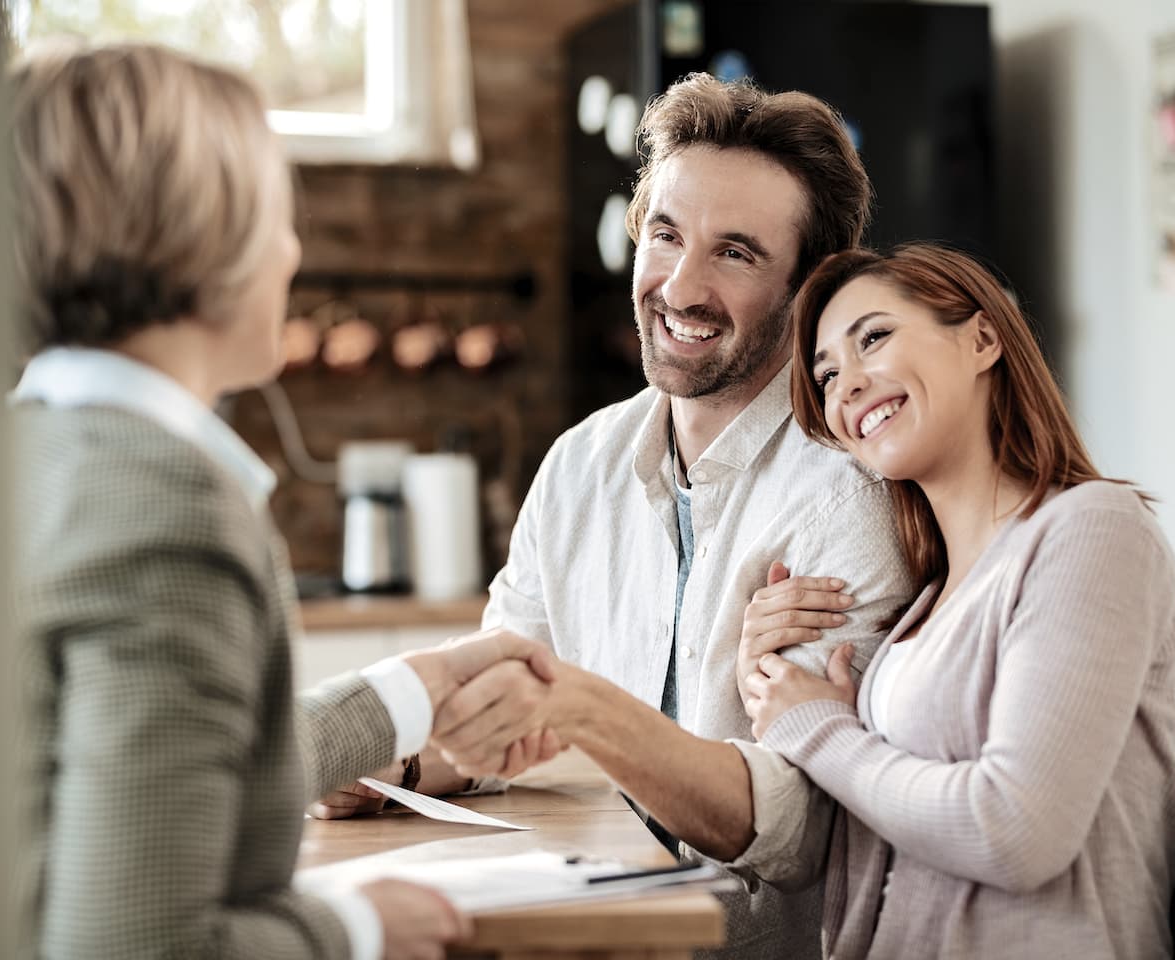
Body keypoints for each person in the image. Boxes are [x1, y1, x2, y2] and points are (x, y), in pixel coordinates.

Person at [323, 74, 916, 959]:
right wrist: (397, 770)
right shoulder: (579, 465)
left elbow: (799, 830)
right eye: (667, 235)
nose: (681, 286)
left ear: (809, 291)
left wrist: (585, 709)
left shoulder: (848, 496)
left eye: (737, 253)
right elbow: (503, 718)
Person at [10, 42, 556, 960]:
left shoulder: (24, 448)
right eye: (275, 214)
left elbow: (148, 783)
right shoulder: (167, 509)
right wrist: (356, 925)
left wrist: (409, 694)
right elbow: (139, 945)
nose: (293, 249)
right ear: (201, 236)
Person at [740, 243, 1175, 959]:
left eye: (874, 339)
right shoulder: (928, 605)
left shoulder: (1092, 531)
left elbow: (1015, 832)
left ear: (982, 339)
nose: (846, 386)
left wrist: (822, 732)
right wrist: (772, 688)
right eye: (826, 376)